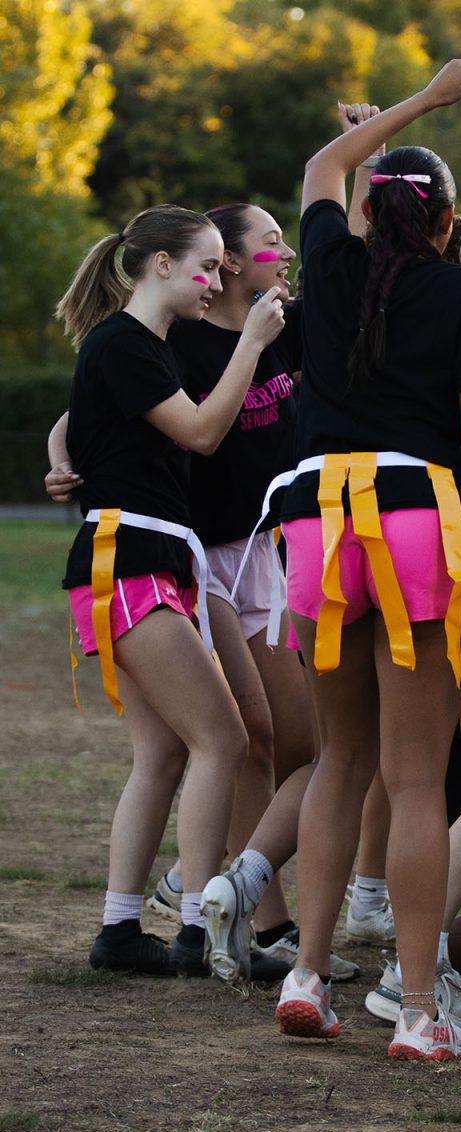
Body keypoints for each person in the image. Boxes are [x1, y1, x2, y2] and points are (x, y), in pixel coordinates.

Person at [269, 58, 461, 1064]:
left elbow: (321, 165)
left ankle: (306, 971)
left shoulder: (328, 264)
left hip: (319, 520)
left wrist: (410, 107)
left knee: (342, 758)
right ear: (452, 221)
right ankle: (418, 1007)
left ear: (370, 211)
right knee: (419, 781)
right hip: (418, 516)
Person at [54, 203, 285, 975]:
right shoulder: (124, 342)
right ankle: (197, 930)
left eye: (223, 265)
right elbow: (202, 432)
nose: (218, 277)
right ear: (159, 264)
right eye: (208, 264)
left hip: (153, 559)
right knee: (221, 739)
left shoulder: (142, 347)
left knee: (160, 752)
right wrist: (251, 344)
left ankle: (120, 933)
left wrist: (62, 455)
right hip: (127, 561)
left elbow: (76, 418)